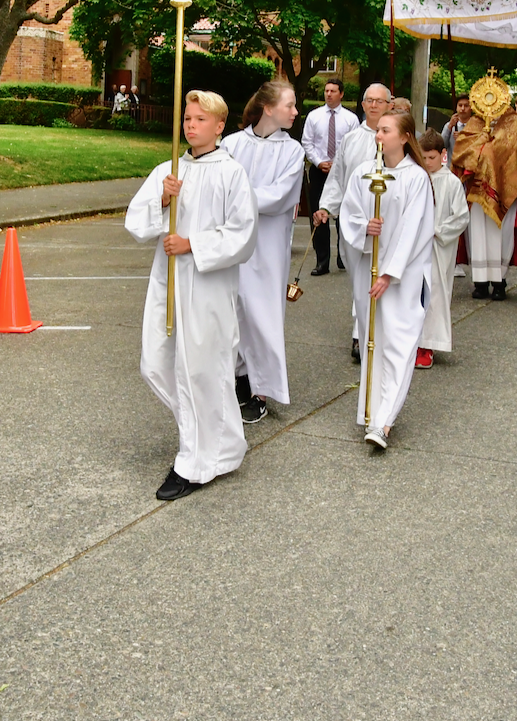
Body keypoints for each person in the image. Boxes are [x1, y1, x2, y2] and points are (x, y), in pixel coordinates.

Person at [125, 90, 258, 500]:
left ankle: (195, 462)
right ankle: (218, 441)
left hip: (208, 287)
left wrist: (193, 245)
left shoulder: (231, 173)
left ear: (219, 126)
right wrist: (163, 198)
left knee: (200, 370)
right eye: (187, 117)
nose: (190, 124)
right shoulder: (170, 168)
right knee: (156, 362)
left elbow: (243, 233)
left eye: (200, 119)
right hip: (168, 283)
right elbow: (136, 221)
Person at [340, 111, 435, 448]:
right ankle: (371, 412)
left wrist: (391, 273)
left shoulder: (416, 179)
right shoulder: (365, 173)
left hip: (404, 277)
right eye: (377, 130)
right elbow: (348, 212)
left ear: (405, 136)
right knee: (373, 342)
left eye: (385, 130)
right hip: (369, 271)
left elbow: (414, 230)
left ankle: (385, 422)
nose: (378, 135)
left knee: (398, 344)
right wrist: (365, 227)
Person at [220, 81, 304, 424]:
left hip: (268, 245)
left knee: (264, 315)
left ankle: (262, 391)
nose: (296, 112)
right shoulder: (231, 144)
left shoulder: (293, 151)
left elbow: (280, 196)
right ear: (268, 108)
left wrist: (238, 197)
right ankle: (238, 376)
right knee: (231, 311)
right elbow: (217, 186)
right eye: (290, 105)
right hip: (231, 242)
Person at [313, 82, 391, 364]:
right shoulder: (352, 139)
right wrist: (325, 207)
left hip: (386, 223)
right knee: (360, 280)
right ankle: (360, 334)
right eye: (368, 100)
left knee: (383, 278)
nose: (373, 105)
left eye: (379, 101)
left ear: (389, 105)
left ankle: (378, 334)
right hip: (355, 221)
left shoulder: (396, 139)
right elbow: (338, 177)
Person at [450, 84, 517, 301]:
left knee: (503, 235)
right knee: (477, 235)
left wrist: (495, 147)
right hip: (477, 192)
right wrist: (483, 141)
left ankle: (500, 281)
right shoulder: (474, 123)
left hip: (506, 192)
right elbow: (460, 153)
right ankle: (480, 282)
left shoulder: (514, 123)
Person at [417, 128, 469, 368]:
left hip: (438, 247)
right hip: (416, 245)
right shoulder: (416, 177)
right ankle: (412, 341)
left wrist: (437, 230)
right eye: (423, 158)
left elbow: (460, 217)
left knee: (435, 292)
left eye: (432, 158)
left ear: (443, 154)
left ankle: (428, 344)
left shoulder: (452, 182)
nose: (428, 163)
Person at [300, 78, 358, 275]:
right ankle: (322, 261)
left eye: (333, 91)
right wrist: (318, 162)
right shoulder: (314, 116)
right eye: (326, 91)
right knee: (319, 213)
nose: (329, 94)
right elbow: (307, 142)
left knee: (344, 213)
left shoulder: (351, 119)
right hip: (319, 169)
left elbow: (353, 145)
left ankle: (344, 256)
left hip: (341, 170)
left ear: (341, 94)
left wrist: (338, 163)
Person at [441, 92, 473, 166]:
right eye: (460, 105)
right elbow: (441, 145)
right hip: (452, 168)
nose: (462, 108)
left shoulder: (475, 127)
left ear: (471, 108)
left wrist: (463, 140)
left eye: (466, 106)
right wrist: (449, 127)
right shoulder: (449, 126)